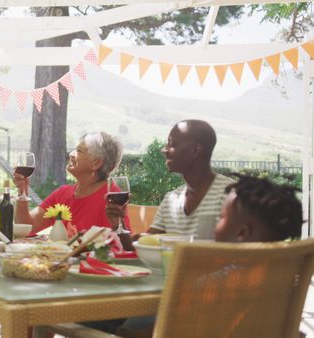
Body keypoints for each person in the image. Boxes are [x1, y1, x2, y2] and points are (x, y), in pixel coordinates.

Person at [115, 174, 303, 338]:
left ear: (242, 233)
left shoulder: (214, 285)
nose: (215, 227)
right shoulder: (283, 286)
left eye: (221, 218)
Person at [13, 132, 130, 235]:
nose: (71, 154)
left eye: (79, 151)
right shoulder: (63, 193)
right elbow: (28, 226)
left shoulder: (111, 197)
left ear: (96, 163)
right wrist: (23, 190)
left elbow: (121, 247)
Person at [133, 120, 233, 240]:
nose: (164, 150)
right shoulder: (170, 199)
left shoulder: (230, 195)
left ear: (195, 150)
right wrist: (118, 222)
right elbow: (144, 242)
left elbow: (237, 251)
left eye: (172, 144)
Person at [214, 173, 302, 242]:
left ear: (242, 233)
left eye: (222, 217)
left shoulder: (216, 264)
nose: (217, 222)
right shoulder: (284, 264)